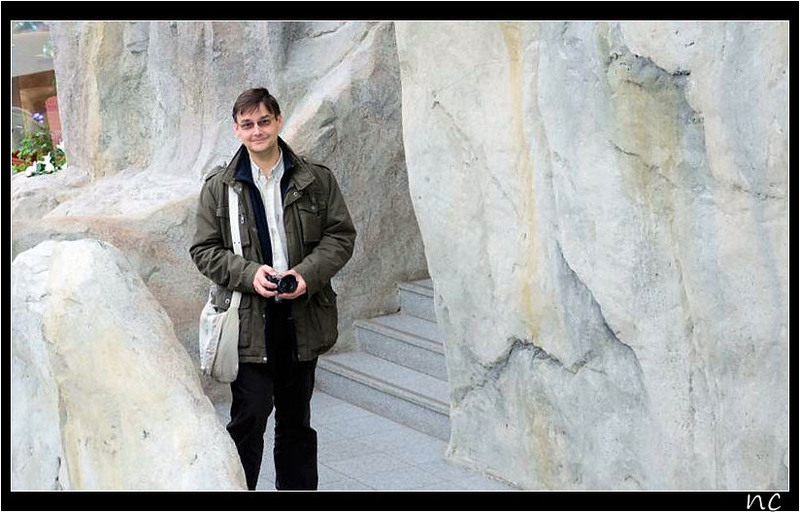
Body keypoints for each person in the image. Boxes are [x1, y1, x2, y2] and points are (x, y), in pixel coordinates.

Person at [190, 87, 356, 490]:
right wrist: (249, 274)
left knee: (296, 421)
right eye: (247, 124)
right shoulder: (220, 186)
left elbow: (340, 236)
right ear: (236, 129)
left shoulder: (315, 179)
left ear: (279, 121)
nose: (257, 131)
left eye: (264, 121)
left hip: (302, 316)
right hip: (250, 321)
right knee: (249, 418)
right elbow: (203, 250)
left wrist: (306, 275)